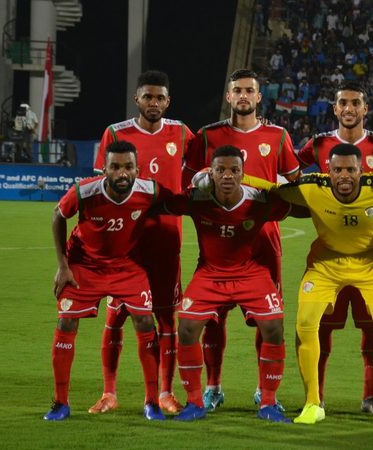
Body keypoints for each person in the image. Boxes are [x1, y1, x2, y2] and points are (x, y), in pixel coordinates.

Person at [233, 143, 373, 428]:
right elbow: (272, 187)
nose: (344, 176)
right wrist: (231, 175)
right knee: (305, 323)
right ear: (328, 171)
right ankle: (313, 403)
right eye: (337, 170)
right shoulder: (311, 186)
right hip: (325, 265)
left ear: (361, 170)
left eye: (350, 170)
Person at [182, 68, 300, 411]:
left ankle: (264, 391)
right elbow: (187, 182)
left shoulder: (277, 136)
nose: (244, 95)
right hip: (220, 241)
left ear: (259, 97)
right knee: (213, 317)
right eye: (238, 90)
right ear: (229, 96)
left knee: (268, 318)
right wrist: (201, 180)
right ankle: (213, 387)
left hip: (265, 240)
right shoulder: (207, 136)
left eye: (250, 90)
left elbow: (294, 185)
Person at [164, 145, 295, 422]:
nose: (227, 175)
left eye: (234, 170)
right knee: (186, 327)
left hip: (250, 272)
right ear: (210, 173)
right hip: (210, 273)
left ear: (243, 174)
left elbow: (296, 206)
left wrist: (281, 188)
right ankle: (194, 402)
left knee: (274, 325)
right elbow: (163, 202)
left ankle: (268, 402)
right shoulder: (196, 198)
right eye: (220, 170)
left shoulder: (259, 200)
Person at [297, 81, 373, 414]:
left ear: (365, 108)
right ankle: (316, 397)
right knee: (321, 328)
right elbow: (292, 174)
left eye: (355, 103)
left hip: (370, 252)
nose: (348, 108)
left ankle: (372, 397)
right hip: (329, 252)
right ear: (334, 108)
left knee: (372, 329)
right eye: (343, 102)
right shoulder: (317, 145)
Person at [90, 70, 192, 415]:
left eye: (160, 97)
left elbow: (207, 164)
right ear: (137, 99)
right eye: (148, 96)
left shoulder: (181, 133)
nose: (154, 102)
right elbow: (99, 189)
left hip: (166, 242)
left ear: (168, 101)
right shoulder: (115, 133)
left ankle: (165, 393)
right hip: (125, 245)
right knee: (116, 316)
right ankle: (109, 393)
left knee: (166, 320)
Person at [45, 141, 169, 421]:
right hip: (85, 265)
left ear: (137, 169)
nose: (122, 173)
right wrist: (63, 266)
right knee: (66, 322)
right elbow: (58, 214)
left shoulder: (150, 190)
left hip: (127, 266)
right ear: (104, 169)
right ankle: (60, 403)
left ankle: (152, 402)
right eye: (115, 167)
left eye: (128, 167)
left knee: (145, 321)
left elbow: (177, 203)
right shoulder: (85, 191)